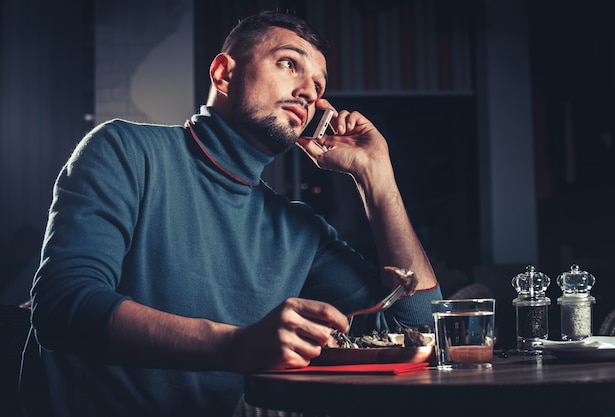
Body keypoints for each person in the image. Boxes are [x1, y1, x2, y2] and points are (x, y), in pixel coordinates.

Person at [20, 10, 441, 417]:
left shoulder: (299, 230)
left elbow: (419, 324)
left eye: (318, 85)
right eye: (289, 64)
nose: (309, 93)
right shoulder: (124, 149)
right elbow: (63, 306)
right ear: (223, 73)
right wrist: (237, 346)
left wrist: (377, 178)